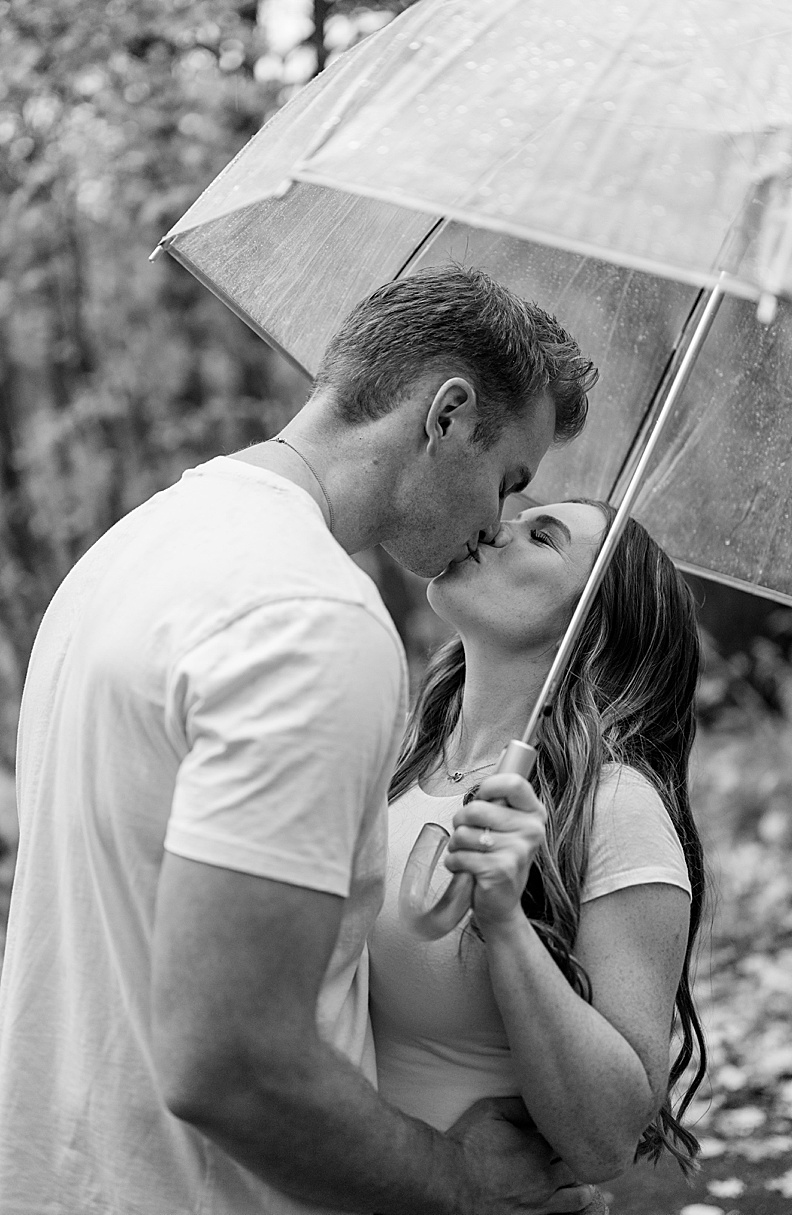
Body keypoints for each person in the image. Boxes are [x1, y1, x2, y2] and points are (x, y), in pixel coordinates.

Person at [0, 266, 601, 1214]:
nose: (495, 519)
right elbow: (233, 1064)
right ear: (445, 416)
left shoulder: (135, 546)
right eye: (508, 478)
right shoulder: (310, 617)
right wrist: (464, 1187)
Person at [370, 500, 707, 1188]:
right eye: (517, 514)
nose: (494, 524)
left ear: (588, 625)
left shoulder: (613, 806)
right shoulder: (400, 763)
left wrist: (503, 920)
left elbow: (608, 1136)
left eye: (541, 537)